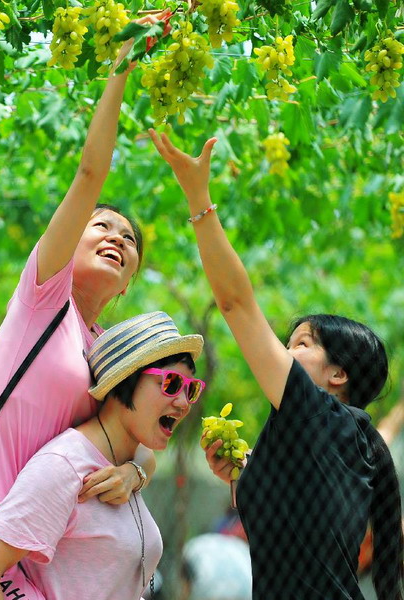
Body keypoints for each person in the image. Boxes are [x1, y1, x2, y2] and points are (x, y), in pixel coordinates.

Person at [0, 16, 169, 599]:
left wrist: (137, 472)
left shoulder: (107, 349)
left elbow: (137, 435)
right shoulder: (44, 299)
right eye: (101, 227)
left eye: (129, 240)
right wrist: (123, 62)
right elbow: (91, 172)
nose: (116, 237)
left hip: (39, 553)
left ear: (129, 283)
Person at [149, 129, 404, 600]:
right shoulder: (344, 438)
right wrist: (246, 472)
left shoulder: (319, 413)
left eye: (301, 343)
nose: (284, 352)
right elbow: (304, 524)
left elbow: (235, 305)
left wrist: (198, 197)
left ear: (338, 375)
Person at [0, 311, 205, 600]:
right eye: (171, 383)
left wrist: (135, 473)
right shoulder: (64, 465)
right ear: (125, 379)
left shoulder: (123, 462)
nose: (184, 402)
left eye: (191, 389)